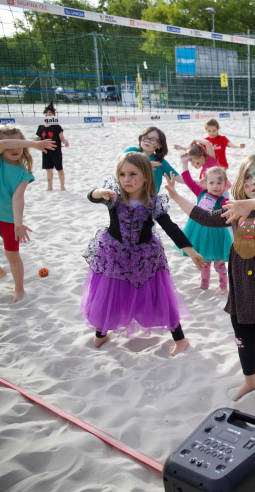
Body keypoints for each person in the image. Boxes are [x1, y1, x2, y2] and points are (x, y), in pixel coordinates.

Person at [164, 154, 255, 433]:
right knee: (244, 342)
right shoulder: (235, 211)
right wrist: (176, 195)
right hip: (241, 292)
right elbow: (203, 217)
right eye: (249, 177)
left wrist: (249, 204)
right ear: (241, 181)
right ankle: (250, 381)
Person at [82, 152, 204, 356]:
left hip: (145, 258)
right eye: (122, 174)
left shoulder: (153, 202)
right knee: (110, 293)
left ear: (146, 176)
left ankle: (180, 339)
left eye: (133, 174)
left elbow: (171, 228)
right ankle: (101, 333)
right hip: (114, 255)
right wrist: (100, 192)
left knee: (160, 296)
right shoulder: (113, 196)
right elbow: (91, 196)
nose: (127, 179)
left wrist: (191, 252)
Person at [0, 126, 54, 303]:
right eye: (10, 146)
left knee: (12, 256)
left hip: (8, 220)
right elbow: (2, 144)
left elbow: (18, 198)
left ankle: (19, 289)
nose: (14, 149)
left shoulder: (23, 173)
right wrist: (33, 144)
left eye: (18, 145)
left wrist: (18, 223)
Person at [176, 157, 232, 296]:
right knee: (204, 261)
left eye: (219, 182)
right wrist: (184, 163)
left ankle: (223, 287)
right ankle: (204, 285)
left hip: (217, 235)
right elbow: (188, 180)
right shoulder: (200, 193)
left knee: (219, 263)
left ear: (225, 184)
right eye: (211, 183)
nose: (215, 186)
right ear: (205, 183)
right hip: (200, 233)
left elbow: (235, 208)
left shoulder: (224, 201)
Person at [123, 126, 184, 192]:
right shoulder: (133, 151)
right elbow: (121, 159)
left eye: (153, 139)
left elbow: (179, 179)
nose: (148, 141)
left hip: (150, 196)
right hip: (129, 192)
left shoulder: (160, 162)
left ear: (159, 145)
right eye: (145, 137)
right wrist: (144, 165)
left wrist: (185, 164)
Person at [36, 102, 69, 191]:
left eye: (50, 114)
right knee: (48, 169)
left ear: (54, 115)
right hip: (45, 151)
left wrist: (65, 141)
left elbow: (62, 138)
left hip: (56, 151)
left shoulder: (57, 126)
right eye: (47, 114)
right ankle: (49, 187)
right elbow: (38, 138)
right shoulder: (41, 126)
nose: (48, 115)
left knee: (59, 169)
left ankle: (62, 186)